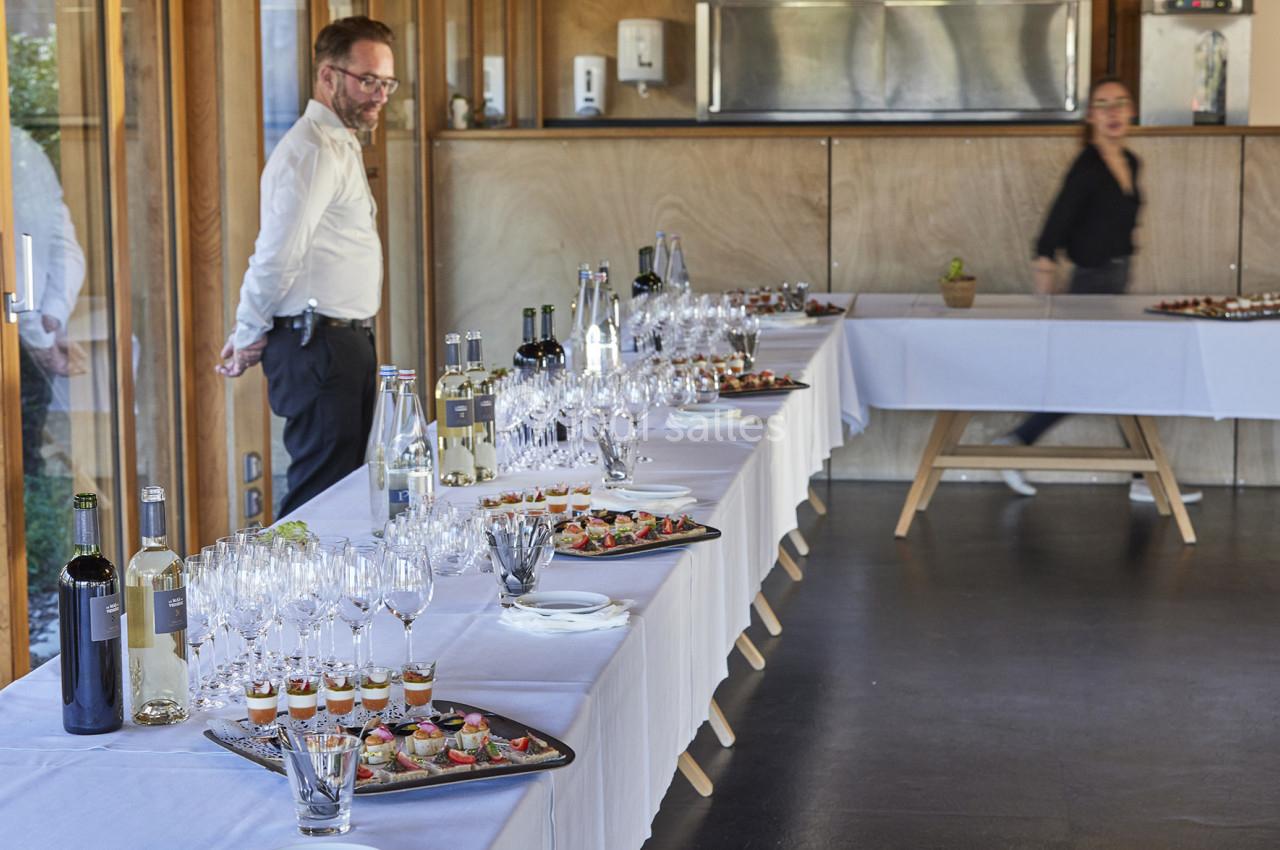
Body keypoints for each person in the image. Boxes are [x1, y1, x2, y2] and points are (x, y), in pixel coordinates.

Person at [218, 16, 396, 515]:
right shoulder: (311, 150)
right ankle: (284, 571)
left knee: (342, 498)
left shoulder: (339, 143)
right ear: (327, 76)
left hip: (340, 341)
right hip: (317, 344)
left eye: (387, 83)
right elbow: (277, 254)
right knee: (319, 503)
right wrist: (248, 330)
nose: (380, 95)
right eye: (368, 80)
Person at [996, 76, 1201, 504]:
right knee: (1110, 378)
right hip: (1090, 286)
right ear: (1091, 116)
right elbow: (1051, 232)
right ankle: (1139, 476)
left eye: (1119, 103)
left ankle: (1020, 442)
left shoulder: (1131, 161)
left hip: (1114, 286)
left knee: (1103, 378)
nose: (1112, 113)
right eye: (1103, 105)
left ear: (1131, 111)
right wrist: (1046, 294)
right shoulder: (1087, 167)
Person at [11, 124, 87, 476]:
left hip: (21, 332)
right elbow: (62, 248)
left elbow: (16, 257)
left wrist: (45, 326)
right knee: (25, 460)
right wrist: (48, 323)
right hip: (29, 328)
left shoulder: (20, 150)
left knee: (22, 460)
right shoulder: (25, 147)